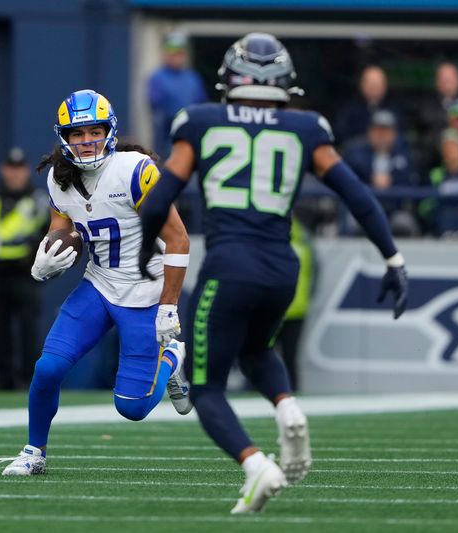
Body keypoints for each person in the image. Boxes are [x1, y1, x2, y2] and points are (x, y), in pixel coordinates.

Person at [138, 33, 408, 514]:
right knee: (257, 348)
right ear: (285, 82)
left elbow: (160, 198)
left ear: (229, 79)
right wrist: (393, 259)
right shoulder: (306, 128)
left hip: (228, 265)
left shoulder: (200, 121)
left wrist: (143, 250)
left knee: (206, 387)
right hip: (282, 269)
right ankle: (287, 406)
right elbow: (358, 196)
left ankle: (256, 465)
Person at [0, 89, 192, 476]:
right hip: (99, 284)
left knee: (132, 408)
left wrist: (168, 306)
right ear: (64, 137)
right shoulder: (58, 178)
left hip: (144, 293)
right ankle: (34, 451)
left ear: (109, 131)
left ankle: (172, 359)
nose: (86, 141)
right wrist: (46, 262)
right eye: (77, 133)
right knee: (48, 368)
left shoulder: (135, 171)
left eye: (94, 131)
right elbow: (63, 230)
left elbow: (178, 239)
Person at [0, 147, 49, 390]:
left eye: (19, 169)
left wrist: (31, 262)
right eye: (10, 169)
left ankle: (28, 379)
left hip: (24, 276)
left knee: (28, 330)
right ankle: (4, 378)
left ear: (25, 171)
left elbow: (48, 235)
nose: (14, 174)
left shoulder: (38, 201)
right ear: (3, 170)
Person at [343, 110, 419, 236]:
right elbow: (348, 179)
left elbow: (411, 183)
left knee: (404, 222)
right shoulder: (356, 154)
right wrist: (371, 178)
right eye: (378, 131)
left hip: (394, 210)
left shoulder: (404, 156)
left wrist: (392, 180)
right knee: (352, 222)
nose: (382, 136)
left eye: (386, 131)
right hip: (363, 209)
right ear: (370, 133)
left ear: (394, 134)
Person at [147, 31, 208, 160]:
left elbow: (201, 107)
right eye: (172, 52)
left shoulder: (193, 78)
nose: (176, 57)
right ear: (164, 53)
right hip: (165, 144)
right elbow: (157, 109)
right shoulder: (157, 78)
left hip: (190, 140)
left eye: (179, 53)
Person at [272, 220, 314, 391]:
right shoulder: (304, 246)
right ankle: (292, 393)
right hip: (297, 309)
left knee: (259, 354)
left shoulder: (270, 245)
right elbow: (314, 278)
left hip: (273, 308)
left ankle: (260, 389)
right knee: (290, 357)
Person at [419, 128, 458, 238]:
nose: (451, 150)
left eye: (455, 146)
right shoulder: (435, 174)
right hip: (441, 226)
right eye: (447, 147)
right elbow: (425, 206)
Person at [334, 65, 401, 147]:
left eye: (377, 85)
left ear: (384, 86)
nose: (374, 88)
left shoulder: (394, 109)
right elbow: (342, 136)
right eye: (371, 84)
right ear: (362, 85)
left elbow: (401, 136)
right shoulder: (349, 111)